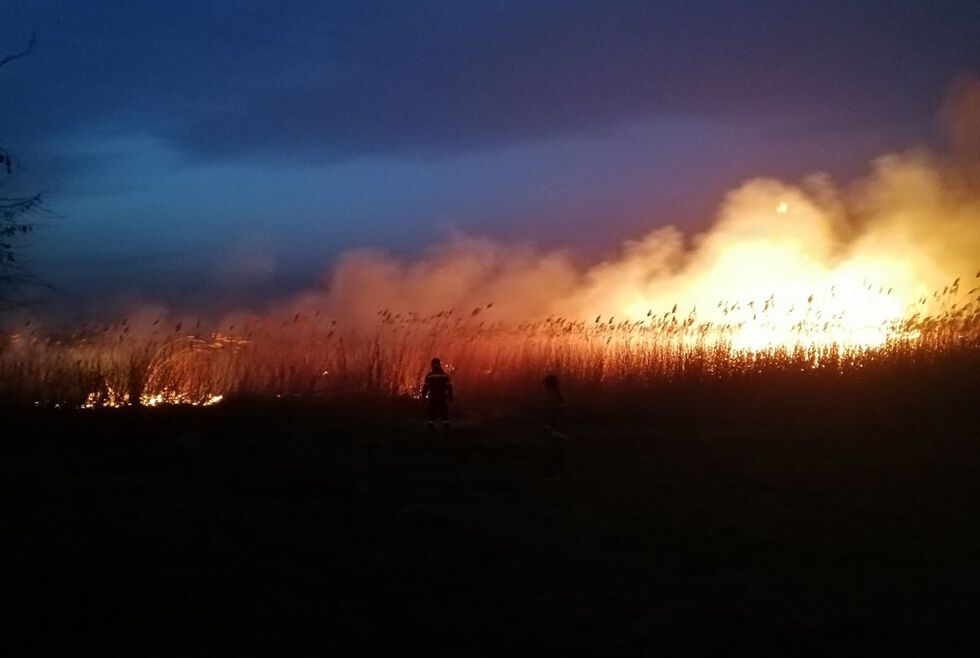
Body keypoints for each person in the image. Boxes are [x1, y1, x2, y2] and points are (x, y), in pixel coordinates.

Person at [542, 374, 570, 478]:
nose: (546, 389)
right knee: (557, 455)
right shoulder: (558, 397)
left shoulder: (557, 398)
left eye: (547, 386)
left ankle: (555, 475)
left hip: (558, 432)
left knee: (555, 455)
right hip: (559, 431)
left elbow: (557, 415)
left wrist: (549, 426)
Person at [421, 357, 454, 435]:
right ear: (440, 365)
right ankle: (446, 430)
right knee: (444, 413)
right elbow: (449, 387)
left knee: (431, 414)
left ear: (432, 365)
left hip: (433, 396)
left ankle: (431, 431)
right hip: (442, 396)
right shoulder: (445, 375)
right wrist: (450, 397)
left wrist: (423, 397)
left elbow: (425, 388)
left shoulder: (429, 376)